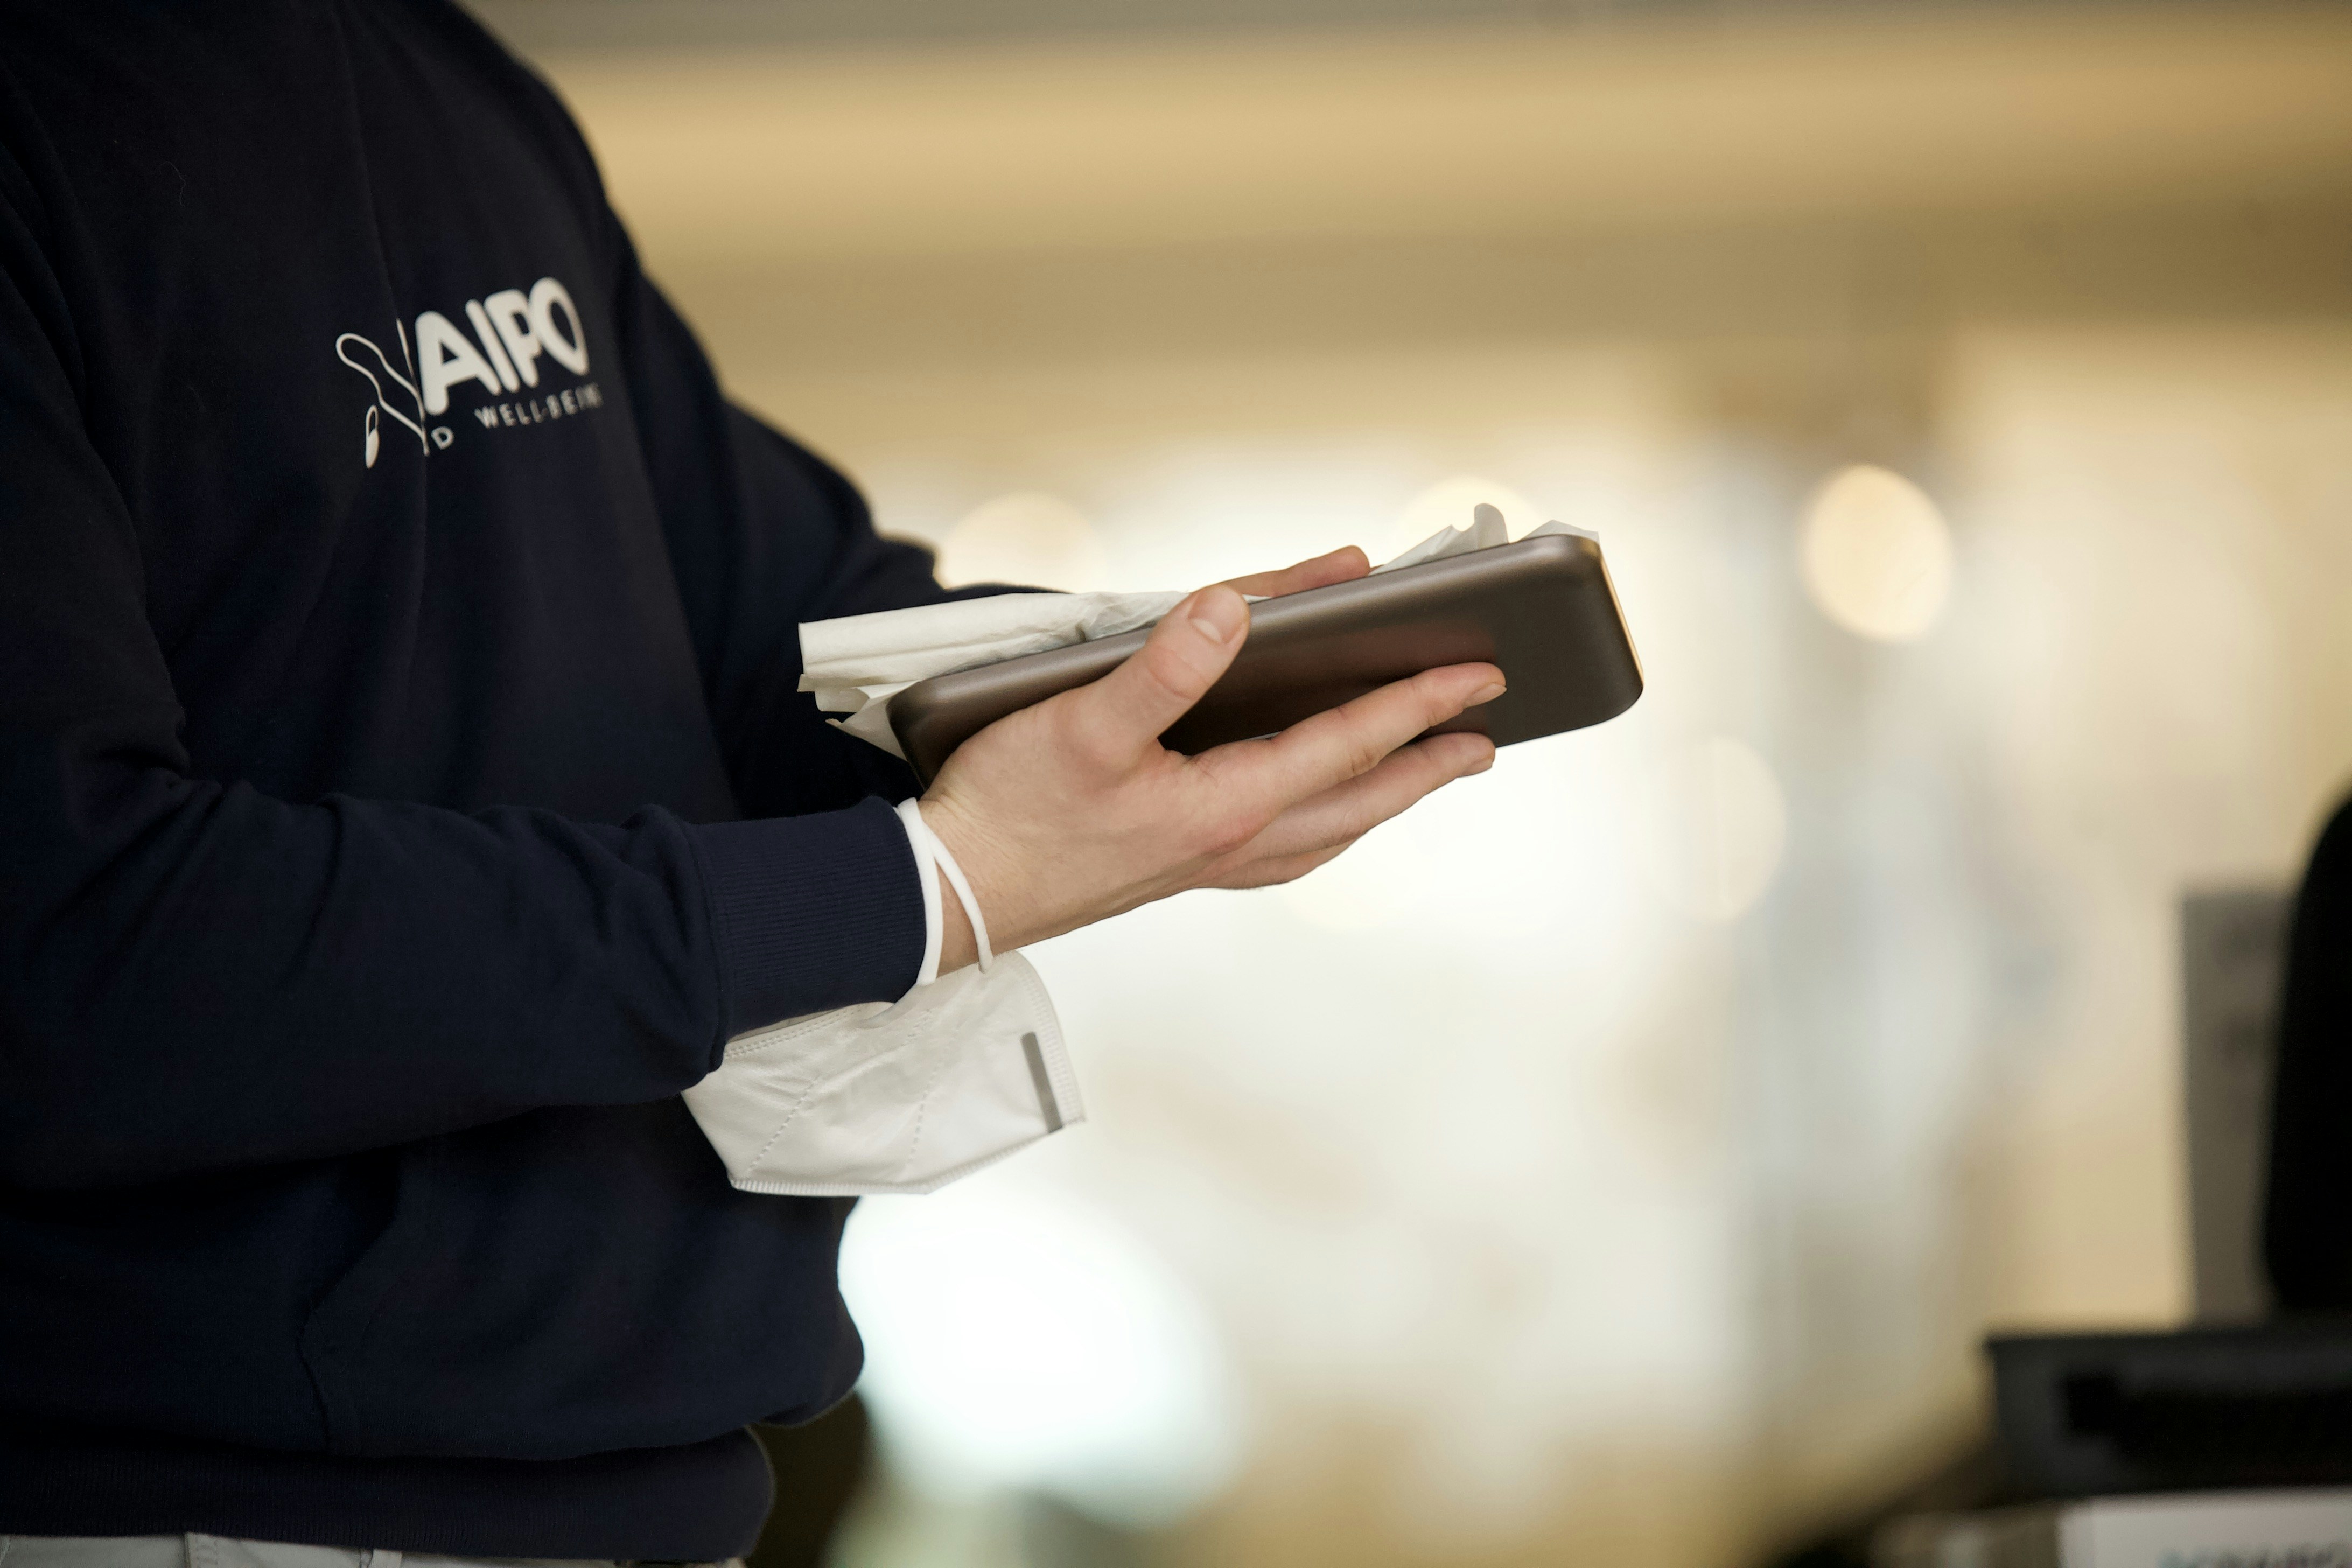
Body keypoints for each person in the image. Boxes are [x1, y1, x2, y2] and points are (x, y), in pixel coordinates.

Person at [0, 3, 1502, 1563]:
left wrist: (1180, 686)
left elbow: (779, 645)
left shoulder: (443, 80)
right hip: (210, 1513)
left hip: (665, 1486)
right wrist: (925, 886)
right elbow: (64, 945)